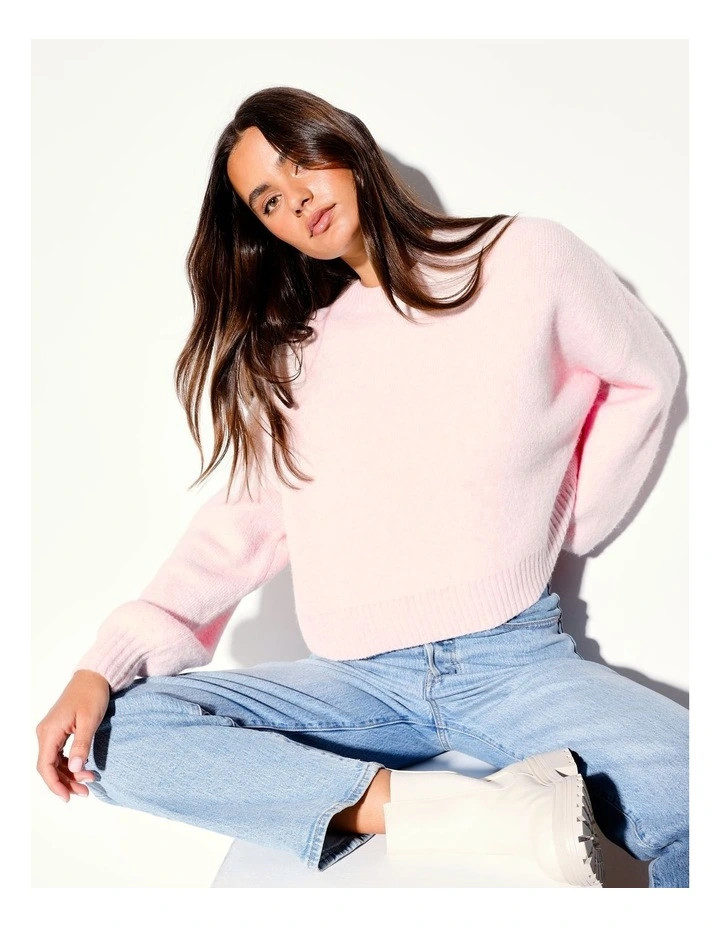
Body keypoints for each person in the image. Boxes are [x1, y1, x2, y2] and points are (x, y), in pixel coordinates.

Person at [35, 86, 688, 889]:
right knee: (111, 739)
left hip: (515, 664)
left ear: (343, 144)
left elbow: (645, 377)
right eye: (267, 200)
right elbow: (239, 526)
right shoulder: (297, 356)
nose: (295, 199)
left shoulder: (524, 257)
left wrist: (568, 521)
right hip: (356, 682)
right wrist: (102, 668)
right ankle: (454, 816)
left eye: (299, 163)